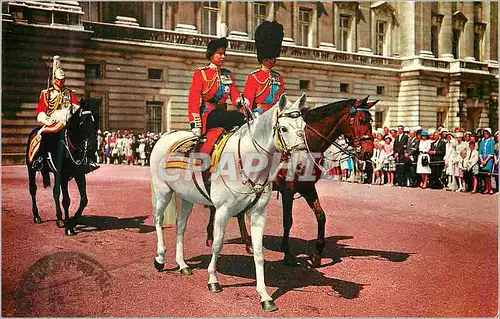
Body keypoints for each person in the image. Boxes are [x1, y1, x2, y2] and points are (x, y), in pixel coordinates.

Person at [28, 56, 97, 173]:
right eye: (59, 79)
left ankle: (87, 159)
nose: (61, 82)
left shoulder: (69, 93)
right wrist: (45, 119)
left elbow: (76, 106)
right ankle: (39, 159)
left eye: (63, 79)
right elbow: (41, 110)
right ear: (54, 79)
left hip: (68, 120)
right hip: (53, 120)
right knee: (43, 134)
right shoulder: (46, 93)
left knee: (82, 134)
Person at [188, 37, 247, 137]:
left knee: (242, 117)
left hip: (223, 114)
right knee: (228, 117)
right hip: (208, 116)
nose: (223, 56)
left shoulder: (227, 74)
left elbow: (234, 95)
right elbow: (194, 100)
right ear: (211, 54)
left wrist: (240, 101)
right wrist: (195, 124)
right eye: (220, 54)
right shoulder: (201, 73)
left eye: (224, 54)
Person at [243, 20, 285, 117]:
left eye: (273, 57)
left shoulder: (278, 78)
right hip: (258, 116)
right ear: (263, 57)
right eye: (269, 58)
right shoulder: (254, 77)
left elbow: (282, 100)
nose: (271, 61)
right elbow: (247, 103)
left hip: (275, 115)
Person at [479, 127, 495, 194]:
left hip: (489, 160)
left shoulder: (491, 141)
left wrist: (486, 160)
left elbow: (491, 152)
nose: (485, 135)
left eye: (486, 133)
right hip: (483, 159)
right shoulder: (482, 141)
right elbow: (480, 151)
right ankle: (486, 188)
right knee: (484, 175)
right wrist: (482, 160)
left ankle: (490, 188)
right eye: (484, 133)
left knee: (488, 175)